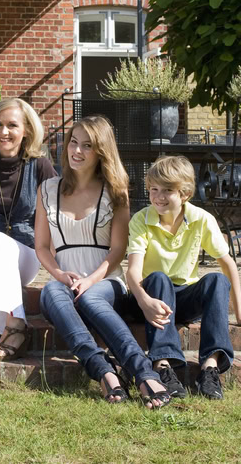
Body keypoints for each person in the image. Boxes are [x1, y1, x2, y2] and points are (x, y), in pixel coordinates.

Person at [36, 116, 170, 408]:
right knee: (50, 291)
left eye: (87, 145)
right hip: (65, 281)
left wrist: (90, 280)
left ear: (101, 152)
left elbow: (118, 250)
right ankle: (104, 371)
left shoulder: (115, 191)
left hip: (106, 282)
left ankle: (144, 374)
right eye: (73, 142)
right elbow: (42, 247)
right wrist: (59, 274)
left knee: (91, 298)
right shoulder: (47, 188)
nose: (77, 151)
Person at [123, 155, 241, 400]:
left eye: (167, 190)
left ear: (184, 193)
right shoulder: (141, 219)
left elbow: (228, 265)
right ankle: (163, 366)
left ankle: (210, 368)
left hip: (184, 299)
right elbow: (133, 271)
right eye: (154, 189)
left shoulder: (201, 219)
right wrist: (143, 300)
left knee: (216, 280)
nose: (159, 196)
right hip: (152, 298)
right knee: (159, 278)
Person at [0, 98, 57, 360]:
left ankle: (14, 326)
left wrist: (58, 267)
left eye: (12, 125)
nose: (4, 132)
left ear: (26, 130)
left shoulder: (40, 167)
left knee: (0, 241)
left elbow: (54, 220)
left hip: (26, 256)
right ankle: (13, 328)